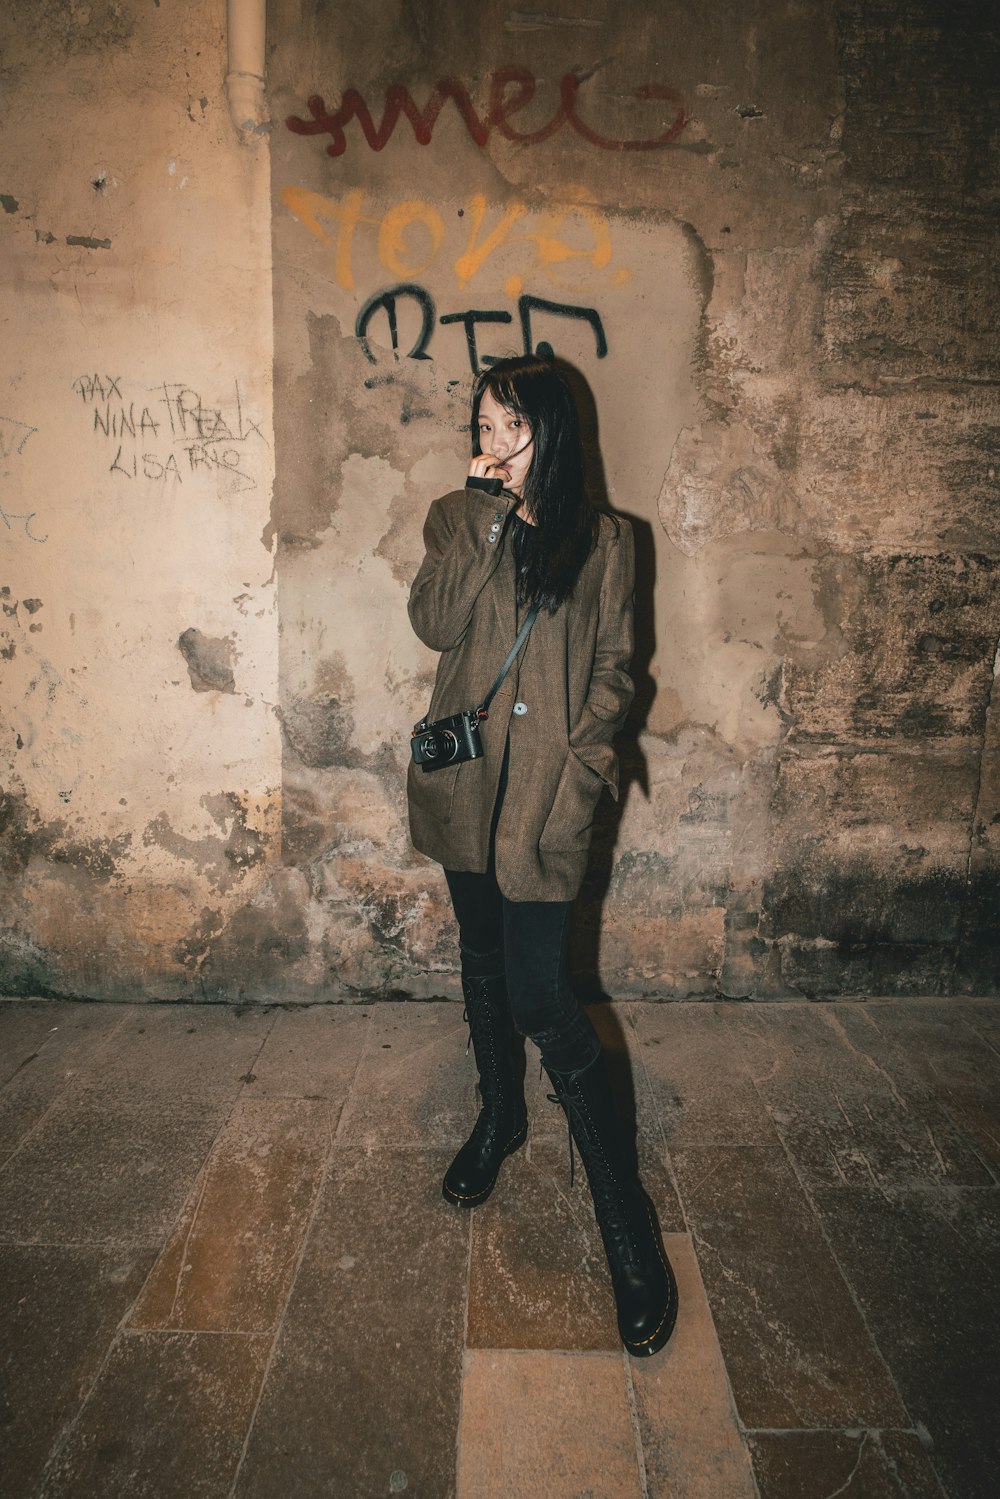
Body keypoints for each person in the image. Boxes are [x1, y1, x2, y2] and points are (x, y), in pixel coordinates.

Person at [407, 354, 677, 1358]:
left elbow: (616, 667)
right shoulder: (454, 518)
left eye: (511, 427)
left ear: (551, 432)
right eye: (481, 425)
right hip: (465, 790)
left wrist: (582, 766)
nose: (492, 444)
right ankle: (497, 1118)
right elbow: (433, 622)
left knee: (543, 996)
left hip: (544, 806)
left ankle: (624, 1219)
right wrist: (483, 516)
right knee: (480, 959)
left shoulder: (608, 541)